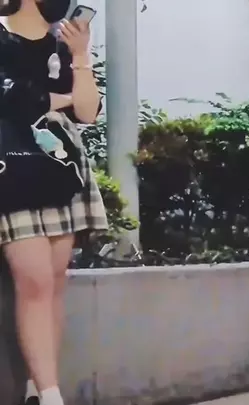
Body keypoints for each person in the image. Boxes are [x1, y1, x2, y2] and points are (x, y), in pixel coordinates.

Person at [0, 1, 108, 404]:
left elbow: (88, 111)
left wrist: (81, 56)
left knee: (55, 281)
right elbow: (14, 99)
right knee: (35, 281)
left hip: (60, 168)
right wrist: (59, 99)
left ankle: (40, 386)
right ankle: (50, 395)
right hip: (11, 168)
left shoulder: (62, 46)